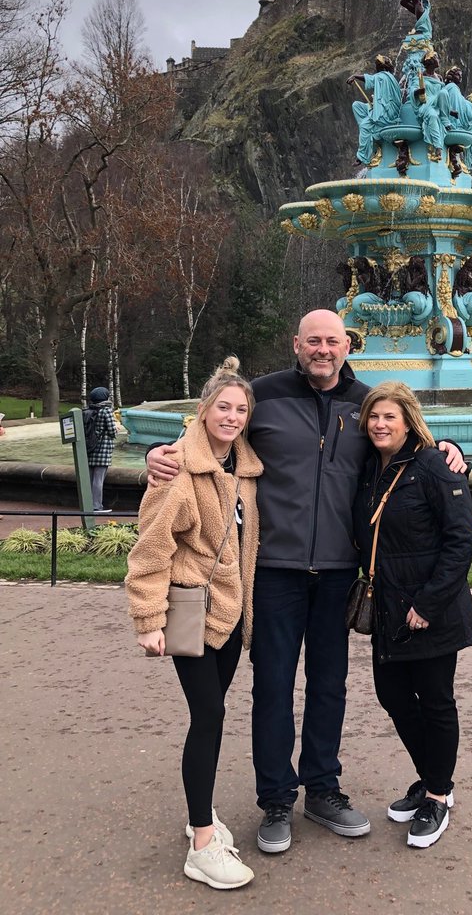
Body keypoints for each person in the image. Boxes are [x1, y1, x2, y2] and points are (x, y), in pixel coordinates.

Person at [146, 309, 465, 857]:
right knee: (271, 685)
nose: (323, 349)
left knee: (329, 685)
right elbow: (207, 433)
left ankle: (322, 788)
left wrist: (456, 452)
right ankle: (275, 798)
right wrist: (157, 454)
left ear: (348, 346)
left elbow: (407, 448)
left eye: (332, 341)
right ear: (296, 344)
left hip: (339, 572)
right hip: (272, 571)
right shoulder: (262, 397)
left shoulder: (364, 404)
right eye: (313, 341)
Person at [126, 357, 262, 890]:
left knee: (212, 712)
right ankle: (202, 842)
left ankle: (198, 817)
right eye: (222, 408)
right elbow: (150, 550)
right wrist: (147, 619)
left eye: (240, 410)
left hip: (228, 614)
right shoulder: (178, 470)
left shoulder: (243, 467)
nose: (231, 417)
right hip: (187, 611)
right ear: (203, 412)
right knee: (207, 715)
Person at [353, 381, 472, 850]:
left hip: (430, 611)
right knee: (393, 695)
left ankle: (438, 795)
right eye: (373, 417)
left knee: (435, 700)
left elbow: (460, 540)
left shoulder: (433, 465)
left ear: (408, 420)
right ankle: (432, 778)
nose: (380, 424)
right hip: (387, 608)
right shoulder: (371, 468)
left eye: (389, 416)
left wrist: (427, 605)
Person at [84, 386, 118, 513]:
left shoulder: (88, 410)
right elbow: (111, 431)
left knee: (91, 478)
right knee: (98, 480)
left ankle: (88, 504)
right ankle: (97, 506)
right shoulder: (106, 411)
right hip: (103, 450)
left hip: (90, 447)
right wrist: (116, 430)